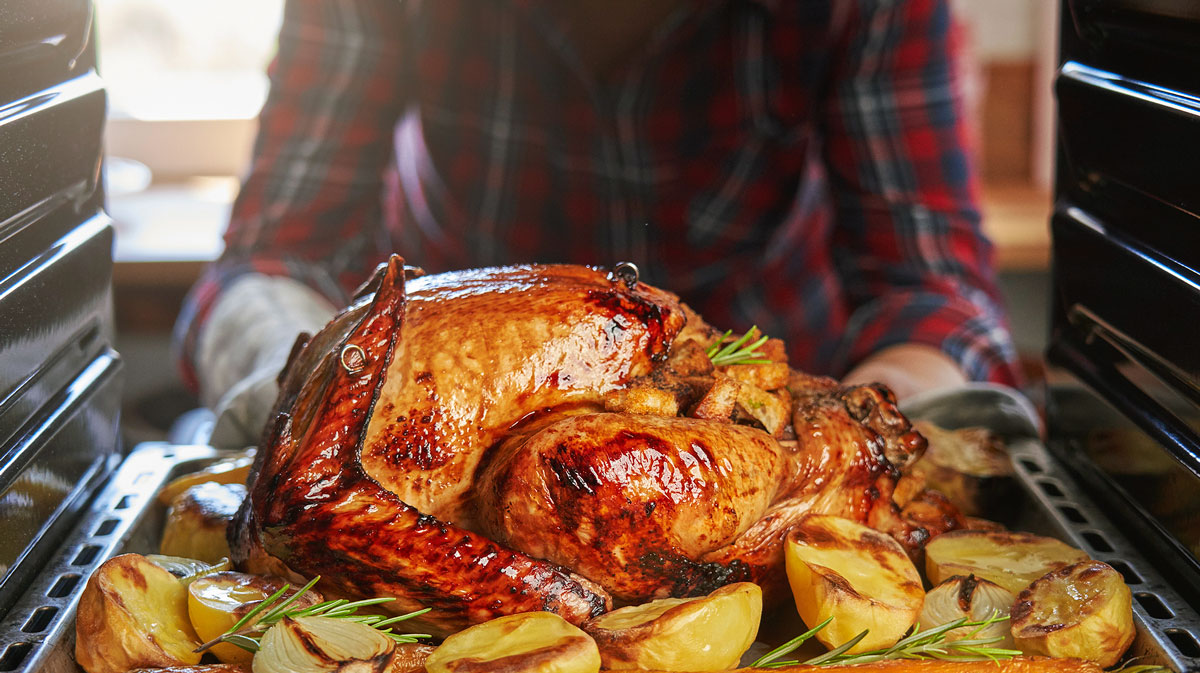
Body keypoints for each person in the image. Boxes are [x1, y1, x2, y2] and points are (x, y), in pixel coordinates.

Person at [177, 0, 1021, 447]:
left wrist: (868, 431)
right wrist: (303, 397)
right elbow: (274, 258)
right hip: (433, 420)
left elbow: (931, 291)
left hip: (769, 422)